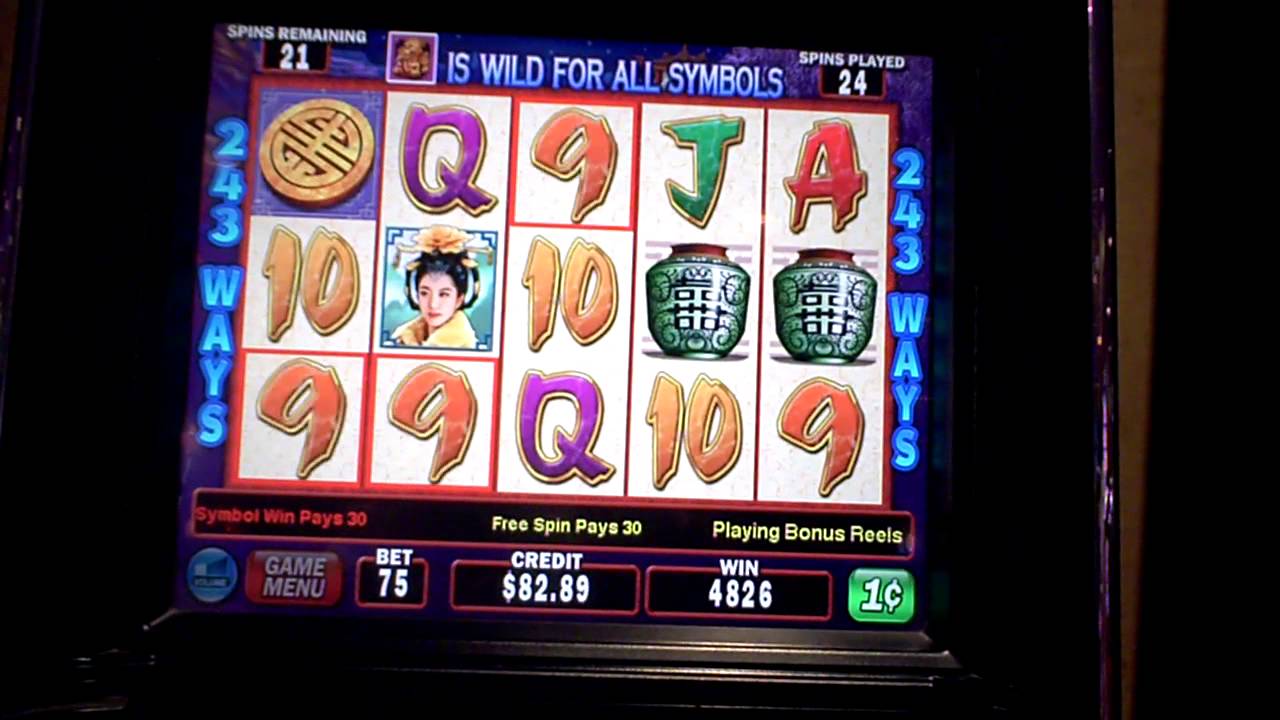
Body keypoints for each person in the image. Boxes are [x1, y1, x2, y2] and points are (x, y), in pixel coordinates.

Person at [392, 225, 483, 348]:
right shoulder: (404, 338)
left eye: (444, 294)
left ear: (459, 299)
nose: (433, 304)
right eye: (424, 293)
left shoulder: (465, 345)